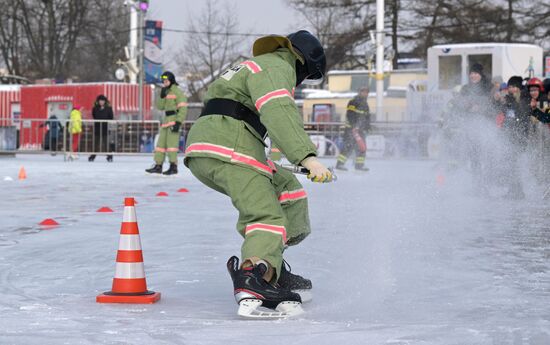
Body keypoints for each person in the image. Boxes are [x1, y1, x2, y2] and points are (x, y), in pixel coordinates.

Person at [184, 30, 333, 317]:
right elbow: (278, 109)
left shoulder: (260, 64)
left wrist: (297, 163)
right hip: (230, 143)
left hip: (220, 141)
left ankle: (270, 265)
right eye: (306, 76)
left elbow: (264, 114)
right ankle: (254, 276)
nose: (300, 82)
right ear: (301, 61)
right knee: (265, 214)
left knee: (289, 190)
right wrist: (308, 157)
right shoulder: (278, 65)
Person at [145, 71, 188, 175]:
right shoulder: (166, 91)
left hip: (174, 121)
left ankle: (173, 167)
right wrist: (161, 95)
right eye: (163, 81)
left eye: (166, 80)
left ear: (171, 80)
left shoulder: (177, 92)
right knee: (160, 145)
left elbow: (183, 108)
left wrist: (178, 122)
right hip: (166, 121)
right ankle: (158, 166)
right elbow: (160, 107)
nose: (164, 82)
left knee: (171, 146)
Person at [497, 76, 531, 199]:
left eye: (514, 87)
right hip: (509, 136)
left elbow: (523, 116)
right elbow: (504, 114)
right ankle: (513, 189)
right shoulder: (508, 100)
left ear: (519, 88)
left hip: (520, 137)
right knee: (510, 164)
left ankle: (519, 191)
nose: (512, 89)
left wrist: (513, 103)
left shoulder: (525, 99)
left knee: (515, 164)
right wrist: (499, 101)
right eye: (510, 87)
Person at [335, 86, 371, 171]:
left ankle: (359, 165)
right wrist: (354, 126)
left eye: (366, 92)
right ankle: (339, 164)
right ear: (360, 92)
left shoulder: (365, 104)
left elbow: (367, 117)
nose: (365, 94)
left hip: (360, 130)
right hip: (351, 130)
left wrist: (368, 127)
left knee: (362, 148)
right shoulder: (353, 102)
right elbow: (350, 114)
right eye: (363, 91)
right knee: (348, 147)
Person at [89, 95, 114, 162]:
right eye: (100, 100)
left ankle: (109, 156)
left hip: (105, 127)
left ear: (105, 101)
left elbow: (111, 117)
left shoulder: (108, 108)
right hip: (97, 127)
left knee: (106, 143)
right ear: (98, 101)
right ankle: (93, 156)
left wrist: (105, 120)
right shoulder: (95, 108)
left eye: (102, 101)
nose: (101, 102)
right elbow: (94, 115)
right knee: (96, 143)